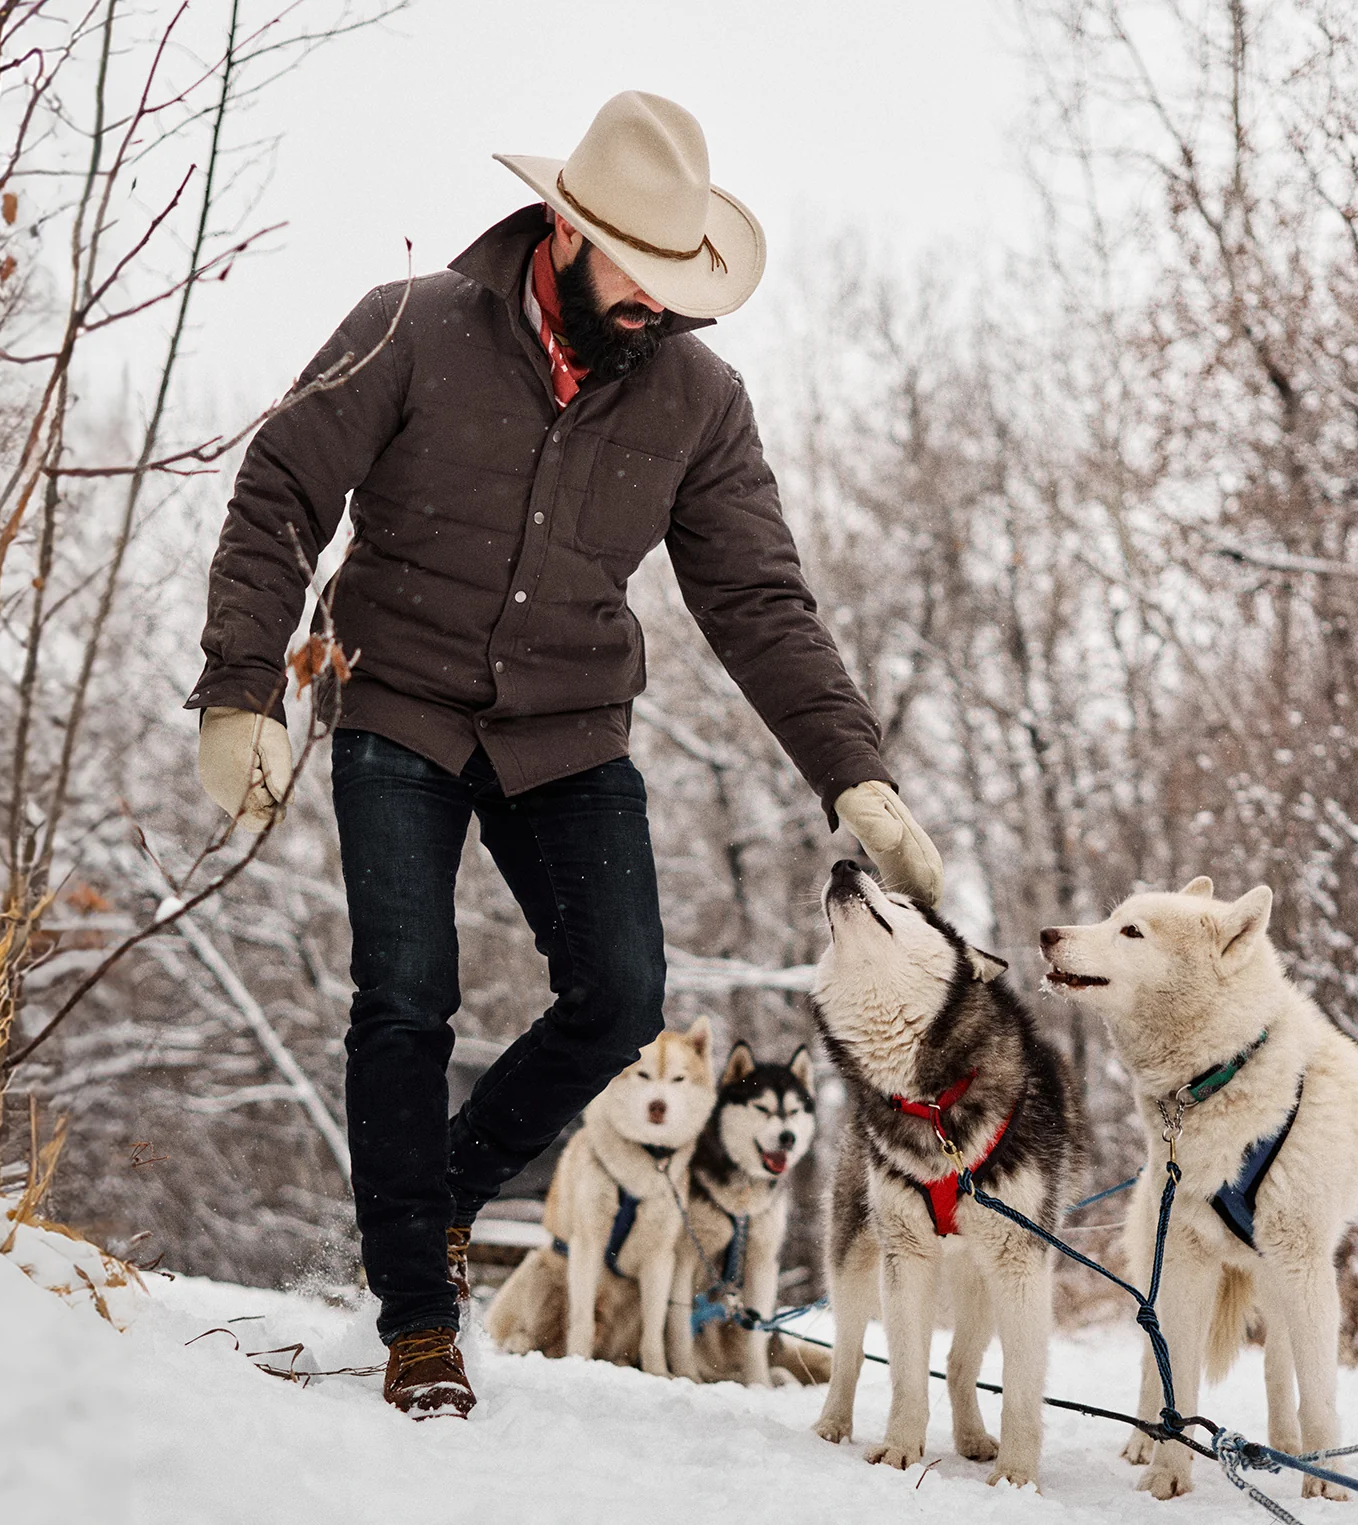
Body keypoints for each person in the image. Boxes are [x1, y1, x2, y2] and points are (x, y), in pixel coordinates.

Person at [187, 92, 941, 1418]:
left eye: (680, 285)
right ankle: (421, 1314)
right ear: (567, 233)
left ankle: (425, 1210)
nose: (661, 308)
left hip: (569, 730)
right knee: (407, 993)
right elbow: (280, 490)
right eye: (639, 280)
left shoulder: (700, 402)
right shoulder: (410, 327)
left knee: (621, 996)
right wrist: (241, 685)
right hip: (397, 704)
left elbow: (760, 601)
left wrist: (855, 773)